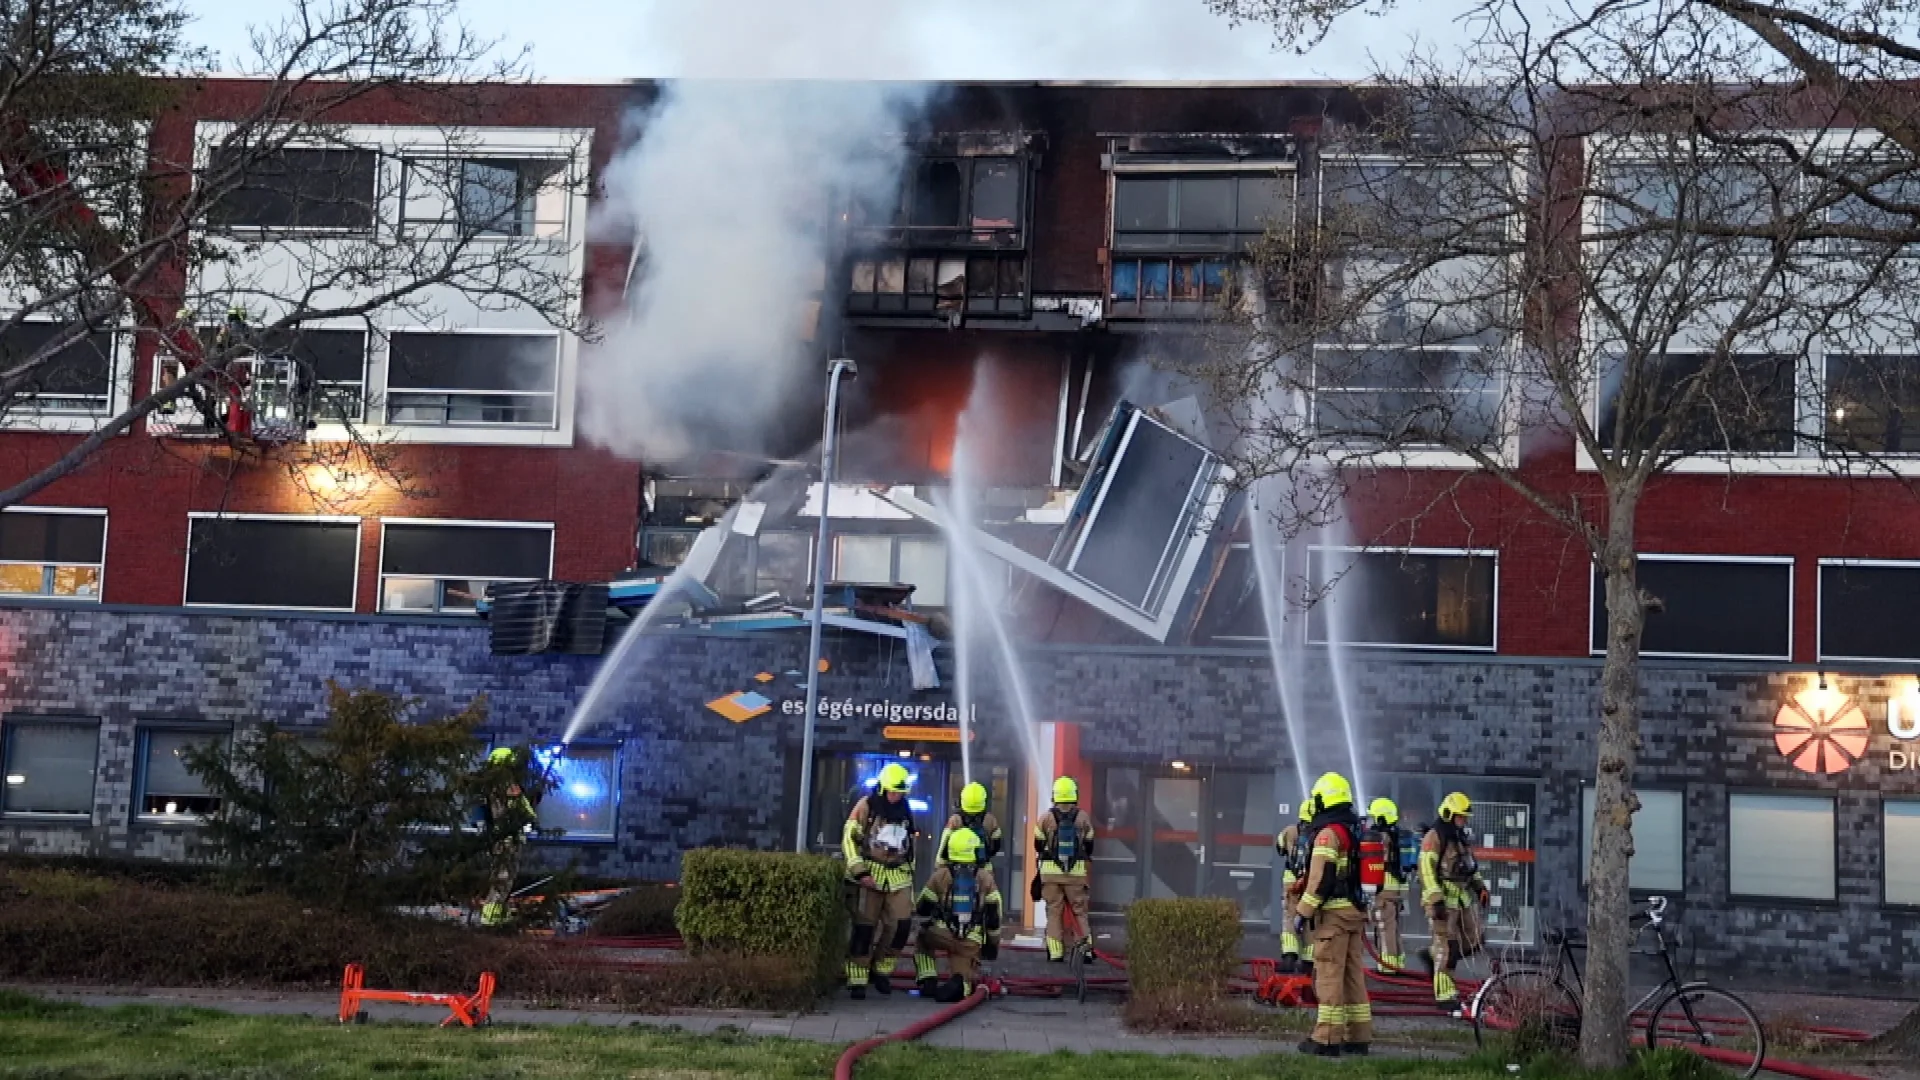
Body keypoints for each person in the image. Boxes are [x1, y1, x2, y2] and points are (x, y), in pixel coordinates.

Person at [1294, 771, 1372, 1058]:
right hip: (1354, 912)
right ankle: (1358, 1036)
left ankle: (1326, 1038)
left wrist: (1303, 912)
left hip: (1334, 918)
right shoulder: (1354, 830)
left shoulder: (1327, 834)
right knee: (1353, 975)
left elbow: (1321, 879)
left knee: (1328, 974)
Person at [843, 762, 920, 998]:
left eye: (900, 793)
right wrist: (860, 872)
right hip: (870, 873)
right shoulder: (866, 806)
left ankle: (882, 970)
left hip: (898, 875)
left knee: (901, 925)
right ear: (883, 789)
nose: (896, 797)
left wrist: (909, 872)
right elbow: (849, 838)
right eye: (893, 792)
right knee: (865, 928)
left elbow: (910, 846)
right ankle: (857, 976)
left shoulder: (906, 809)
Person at [913, 826, 1002, 1002]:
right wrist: (992, 946)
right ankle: (960, 983)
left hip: (941, 934)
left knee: (922, 937)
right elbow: (994, 916)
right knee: (965, 979)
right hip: (970, 942)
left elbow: (923, 907)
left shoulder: (940, 875)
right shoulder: (985, 878)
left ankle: (927, 979)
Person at [1419, 792, 1490, 1009]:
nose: (1464, 820)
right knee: (1447, 948)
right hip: (1443, 901)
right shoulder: (1434, 836)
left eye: (1465, 817)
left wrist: (1480, 888)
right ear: (1449, 814)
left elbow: (1470, 866)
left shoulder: (1461, 838)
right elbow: (1426, 869)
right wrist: (1435, 899)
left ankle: (1431, 956)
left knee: (1474, 939)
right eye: (1460, 816)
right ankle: (1445, 995)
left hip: (1462, 898)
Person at [1032, 775, 1094, 963]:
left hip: (1050, 874)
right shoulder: (1083, 817)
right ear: (1074, 795)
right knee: (1079, 911)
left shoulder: (1045, 818)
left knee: (1054, 911)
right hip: (1075, 874)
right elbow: (1090, 845)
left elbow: (1037, 844)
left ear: (1055, 795)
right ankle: (1085, 950)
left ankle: (1056, 952)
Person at [479, 746, 538, 928]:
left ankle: (499, 913)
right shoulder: (506, 786)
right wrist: (531, 818)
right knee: (504, 877)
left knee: (502, 876)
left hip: (500, 838)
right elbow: (521, 808)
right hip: (507, 839)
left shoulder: (489, 787)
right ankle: (491, 918)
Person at [1368, 797, 1408, 972]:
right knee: (1393, 926)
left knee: (1384, 928)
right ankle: (1398, 961)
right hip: (1395, 888)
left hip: (1384, 886)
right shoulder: (1396, 835)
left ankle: (1388, 965)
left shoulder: (1382, 838)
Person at [1275, 795, 1314, 972]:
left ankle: (1289, 956)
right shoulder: (1321, 833)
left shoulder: (1290, 830)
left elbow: (1279, 848)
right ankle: (1309, 960)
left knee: (1290, 917)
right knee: (1309, 918)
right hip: (1310, 881)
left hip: (1291, 880)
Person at [937, 781, 1003, 865]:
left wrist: (940, 865)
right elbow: (997, 844)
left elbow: (944, 845)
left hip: (956, 868)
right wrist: (986, 856)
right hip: (982, 867)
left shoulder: (955, 819)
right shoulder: (990, 819)